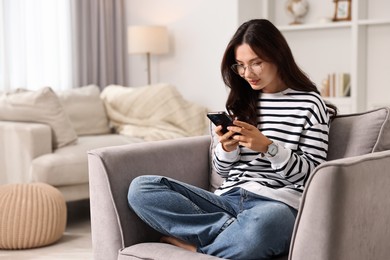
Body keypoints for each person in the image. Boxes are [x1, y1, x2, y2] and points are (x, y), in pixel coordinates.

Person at [128, 19, 336, 259]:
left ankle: (200, 249)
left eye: (256, 63)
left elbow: (314, 175)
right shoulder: (240, 103)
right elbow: (222, 171)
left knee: (268, 223)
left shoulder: (309, 104)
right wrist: (226, 149)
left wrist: (268, 148)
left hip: (276, 205)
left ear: (278, 56)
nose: (248, 74)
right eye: (240, 66)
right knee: (141, 188)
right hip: (227, 201)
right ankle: (231, 234)